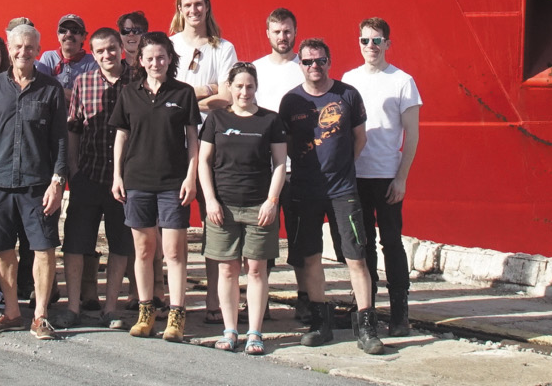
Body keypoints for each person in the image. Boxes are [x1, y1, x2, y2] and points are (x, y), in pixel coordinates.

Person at [0, 19, 71, 338]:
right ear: (9, 50)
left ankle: (40, 315)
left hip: (37, 184)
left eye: (29, 47)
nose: (23, 52)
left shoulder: (51, 89)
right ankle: (12, 311)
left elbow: (60, 140)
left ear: (38, 51)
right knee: (2, 248)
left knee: (43, 248)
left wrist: (58, 181)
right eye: (17, 47)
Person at [279, 40, 382, 354]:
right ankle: (320, 323)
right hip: (305, 191)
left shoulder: (347, 94)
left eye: (320, 61)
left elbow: (359, 137)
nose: (315, 67)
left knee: (356, 257)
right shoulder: (291, 101)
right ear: (300, 65)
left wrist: (342, 167)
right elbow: (282, 145)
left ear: (329, 61)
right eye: (308, 62)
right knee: (310, 258)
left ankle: (366, 327)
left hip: (342, 191)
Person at [110, 32, 202, 341]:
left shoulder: (184, 93)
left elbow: (193, 140)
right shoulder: (129, 93)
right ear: (140, 61)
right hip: (137, 180)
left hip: (173, 182)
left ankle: (176, 314)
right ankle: (145, 311)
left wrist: (192, 177)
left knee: (174, 251)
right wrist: (117, 175)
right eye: (149, 58)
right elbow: (121, 137)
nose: (155, 63)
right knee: (144, 249)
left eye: (161, 57)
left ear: (169, 59)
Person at [196, 62, 290, 355]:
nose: (244, 92)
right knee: (227, 269)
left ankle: (254, 332)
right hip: (222, 206)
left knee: (257, 270)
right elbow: (203, 162)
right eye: (239, 86)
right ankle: (230, 329)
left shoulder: (270, 121)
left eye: (249, 86)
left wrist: (272, 201)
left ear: (256, 87)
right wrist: (210, 199)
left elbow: (280, 165)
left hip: (258, 205)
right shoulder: (216, 120)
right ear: (231, 87)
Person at [338, 16, 423, 338]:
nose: (370, 46)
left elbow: (412, 134)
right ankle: (367, 309)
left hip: (387, 174)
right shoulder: (349, 80)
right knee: (363, 246)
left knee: (391, 242)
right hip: (356, 175)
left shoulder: (402, 81)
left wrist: (401, 177)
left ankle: (401, 313)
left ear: (388, 43)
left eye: (376, 40)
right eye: (364, 41)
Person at [57, 22, 127, 322]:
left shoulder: (137, 82)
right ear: (93, 54)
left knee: (120, 245)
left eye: (112, 48)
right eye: (100, 51)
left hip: (123, 181)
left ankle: (110, 308)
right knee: (75, 244)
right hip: (88, 174)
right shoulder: (84, 83)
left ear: (121, 49)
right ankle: (73, 307)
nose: (107, 54)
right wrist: (72, 167)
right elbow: (73, 128)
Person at [174, 0, 241, 111]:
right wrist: (206, 90)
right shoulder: (169, 46)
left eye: (198, 4)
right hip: (174, 128)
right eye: (187, 5)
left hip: (210, 128)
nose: (193, 10)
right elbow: (161, 94)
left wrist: (181, 104)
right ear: (180, 9)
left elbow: (226, 98)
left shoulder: (224, 49)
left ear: (207, 6)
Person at [253, 8, 308, 109]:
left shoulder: (307, 67)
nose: (282, 37)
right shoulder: (255, 68)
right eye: (276, 32)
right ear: (268, 33)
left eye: (287, 31)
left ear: (295, 32)